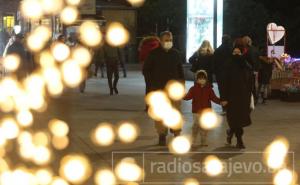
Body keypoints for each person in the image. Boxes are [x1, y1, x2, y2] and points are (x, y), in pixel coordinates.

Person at [143, 31, 185, 146]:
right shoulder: (153, 54)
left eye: (170, 40)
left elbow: (180, 71)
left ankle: (176, 132)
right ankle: (162, 134)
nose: (169, 42)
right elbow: (146, 70)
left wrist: (182, 84)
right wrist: (151, 85)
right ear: (161, 41)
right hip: (159, 89)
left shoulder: (176, 54)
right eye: (166, 40)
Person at [222, 39, 253, 149]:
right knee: (234, 119)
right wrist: (224, 98)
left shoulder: (246, 65)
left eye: (238, 53)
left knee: (239, 120)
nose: (236, 55)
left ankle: (231, 133)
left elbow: (250, 81)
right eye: (234, 52)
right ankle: (239, 140)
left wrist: (251, 96)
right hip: (231, 97)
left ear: (242, 53)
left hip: (243, 97)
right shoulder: (227, 65)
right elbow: (224, 82)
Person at [184, 70, 225, 147]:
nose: (202, 80)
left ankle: (203, 140)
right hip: (196, 111)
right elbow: (188, 97)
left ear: (206, 79)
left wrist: (220, 102)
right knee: (196, 126)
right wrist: (183, 95)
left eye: (203, 78)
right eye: (200, 78)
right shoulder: (193, 89)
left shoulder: (209, 89)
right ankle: (193, 140)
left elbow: (214, 98)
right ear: (197, 79)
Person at [213, 35, 232, 114]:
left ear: (222, 40)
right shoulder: (232, 49)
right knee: (230, 91)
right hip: (230, 74)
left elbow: (214, 63)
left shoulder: (217, 50)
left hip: (220, 74)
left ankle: (224, 108)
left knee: (222, 91)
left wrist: (215, 72)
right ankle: (231, 107)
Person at [243, 36, 260, 104]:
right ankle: (255, 99)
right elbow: (257, 60)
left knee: (250, 85)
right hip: (255, 70)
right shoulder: (255, 49)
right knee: (254, 85)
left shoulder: (248, 49)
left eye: (243, 41)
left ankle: (253, 99)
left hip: (250, 70)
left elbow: (251, 60)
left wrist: (252, 69)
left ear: (246, 42)